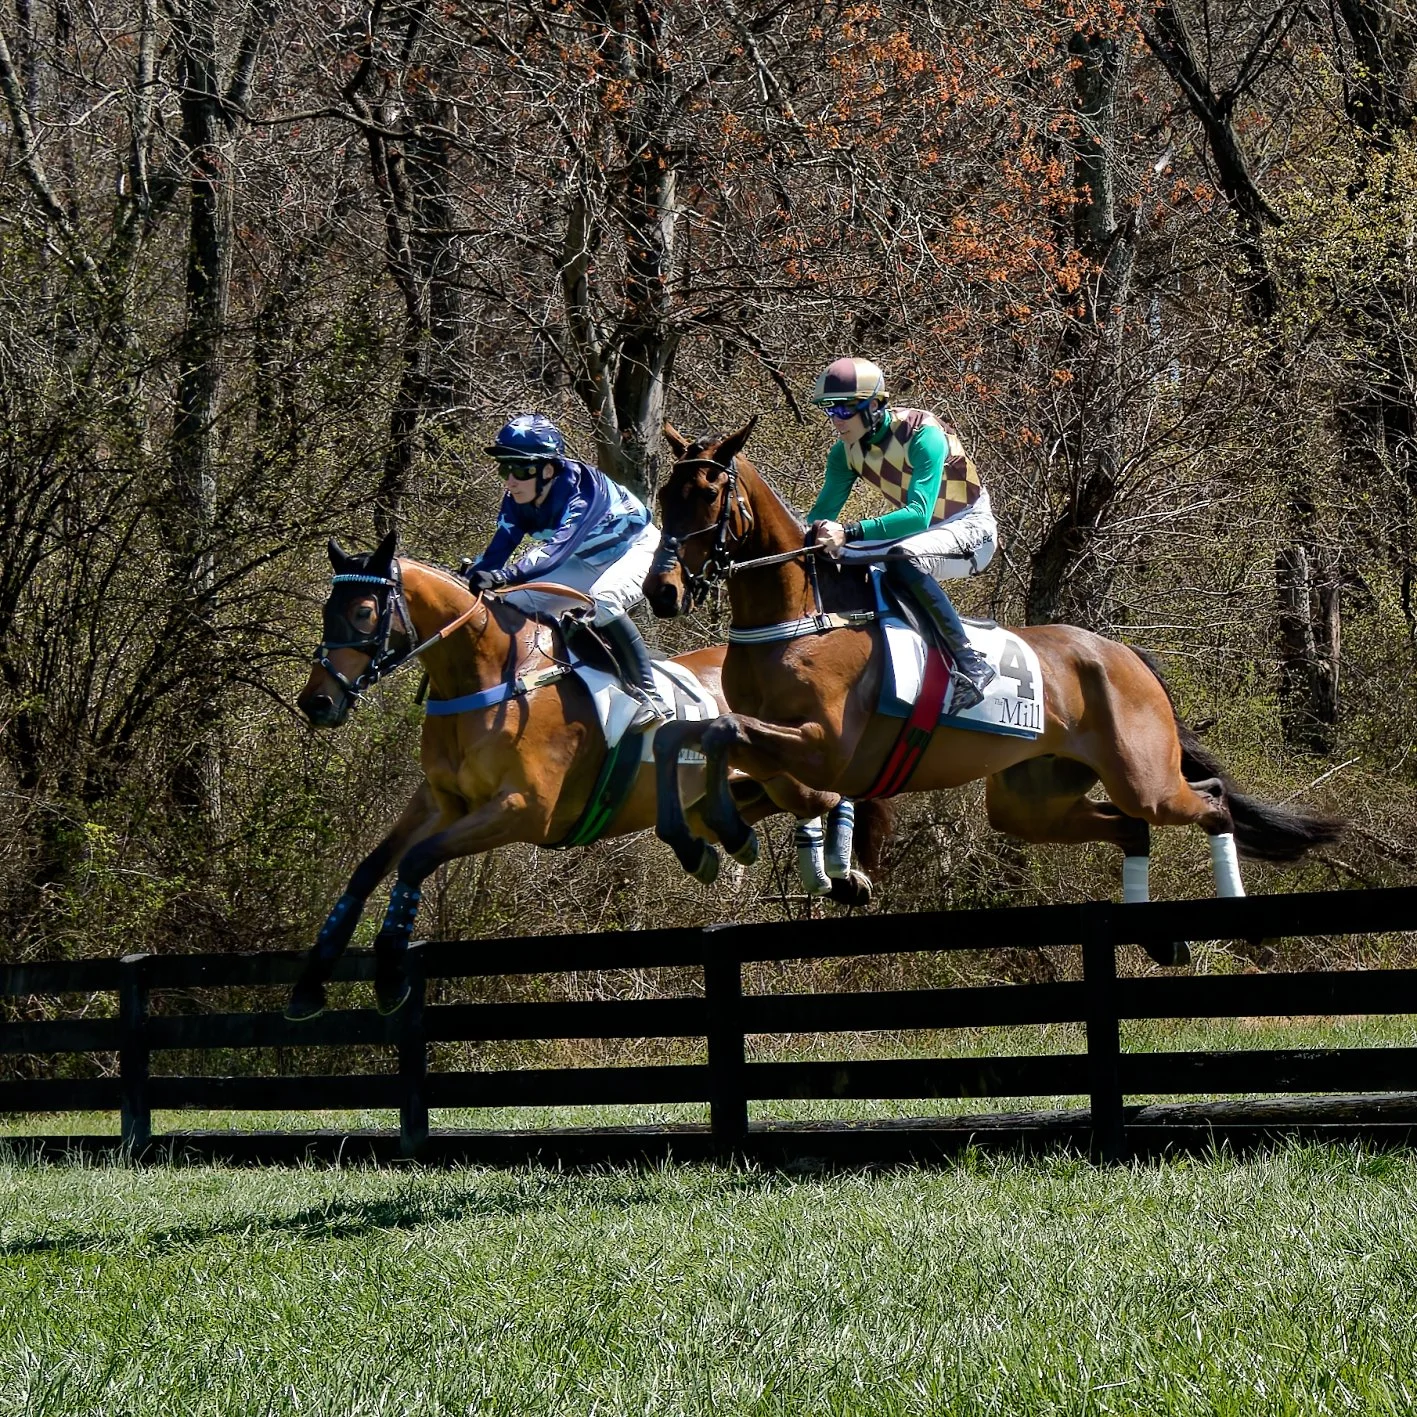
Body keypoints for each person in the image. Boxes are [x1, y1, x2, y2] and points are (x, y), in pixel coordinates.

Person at [806, 357, 998, 709]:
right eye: (829, 410)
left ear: (875, 404)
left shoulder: (924, 434)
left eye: (845, 410)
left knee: (902, 559)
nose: (836, 420)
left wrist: (848, 531)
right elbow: (820, 517)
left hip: (971, 528)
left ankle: (972, 664)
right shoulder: (843, 453)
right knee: (836, 556)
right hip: (921, 534)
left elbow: (917, 515)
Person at [466, 413, 669, 727]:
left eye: (519, 469)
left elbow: (554, 553)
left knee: (603, 600)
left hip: (636, 548)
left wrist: (503, 576)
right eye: (504, 468)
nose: (510, 480)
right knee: (511, 603)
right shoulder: (516, 499)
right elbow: (497, 552)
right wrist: (467, 578)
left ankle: (650, 696)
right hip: (584, 558)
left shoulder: (583, 491)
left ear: (548, 469)